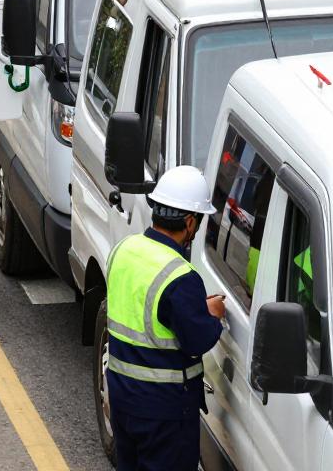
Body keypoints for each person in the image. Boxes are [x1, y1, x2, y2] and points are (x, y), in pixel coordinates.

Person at [106, 165, 225, 471]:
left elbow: (144, 308)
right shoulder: (181, 275)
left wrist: (192, 308)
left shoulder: (124, 249)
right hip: (164, 411)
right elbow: (196, 339)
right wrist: (212, 316)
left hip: (121, 396)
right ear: (189, 222)